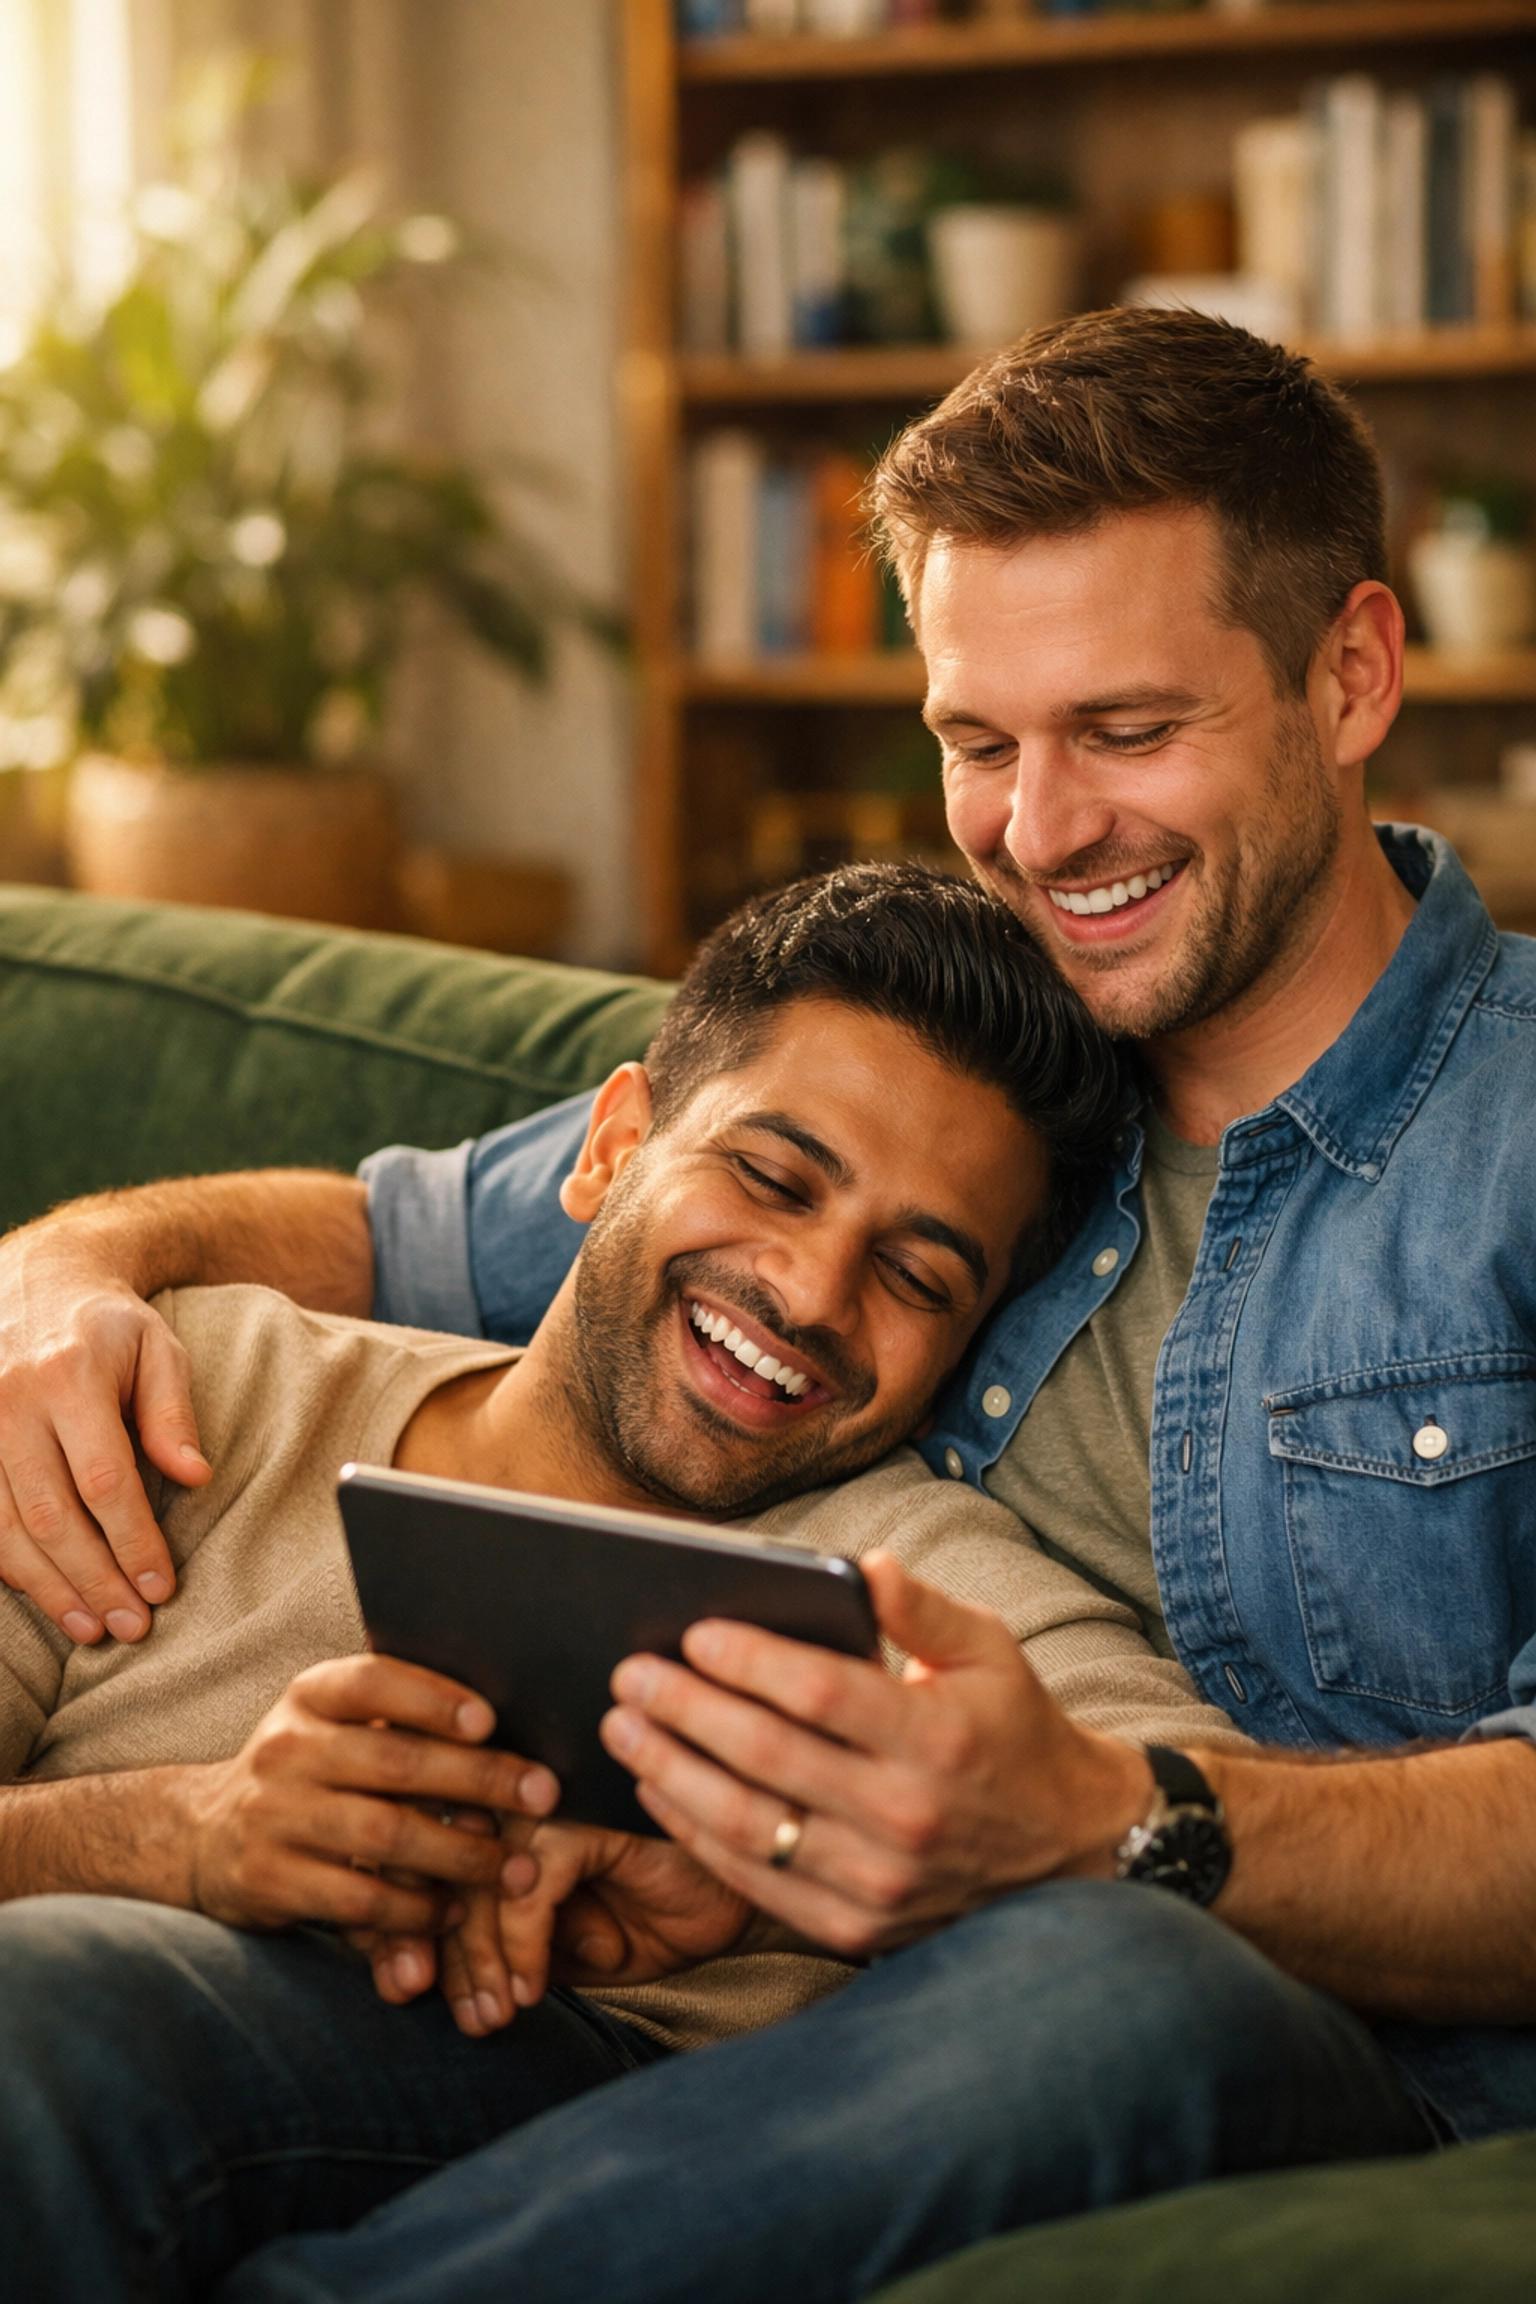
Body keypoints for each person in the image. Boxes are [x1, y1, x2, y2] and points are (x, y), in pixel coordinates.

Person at [0, 308, 1532, 2301]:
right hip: (688, 1994)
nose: (1042, 834)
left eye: (1129, 732)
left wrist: (1097, 1822)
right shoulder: (959, 1070)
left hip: (1252, 2025)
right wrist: (68, 1262)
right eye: (981, 743)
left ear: (1351, 675)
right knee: (57, 2022)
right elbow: (409, 1229)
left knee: (1104, 1976)